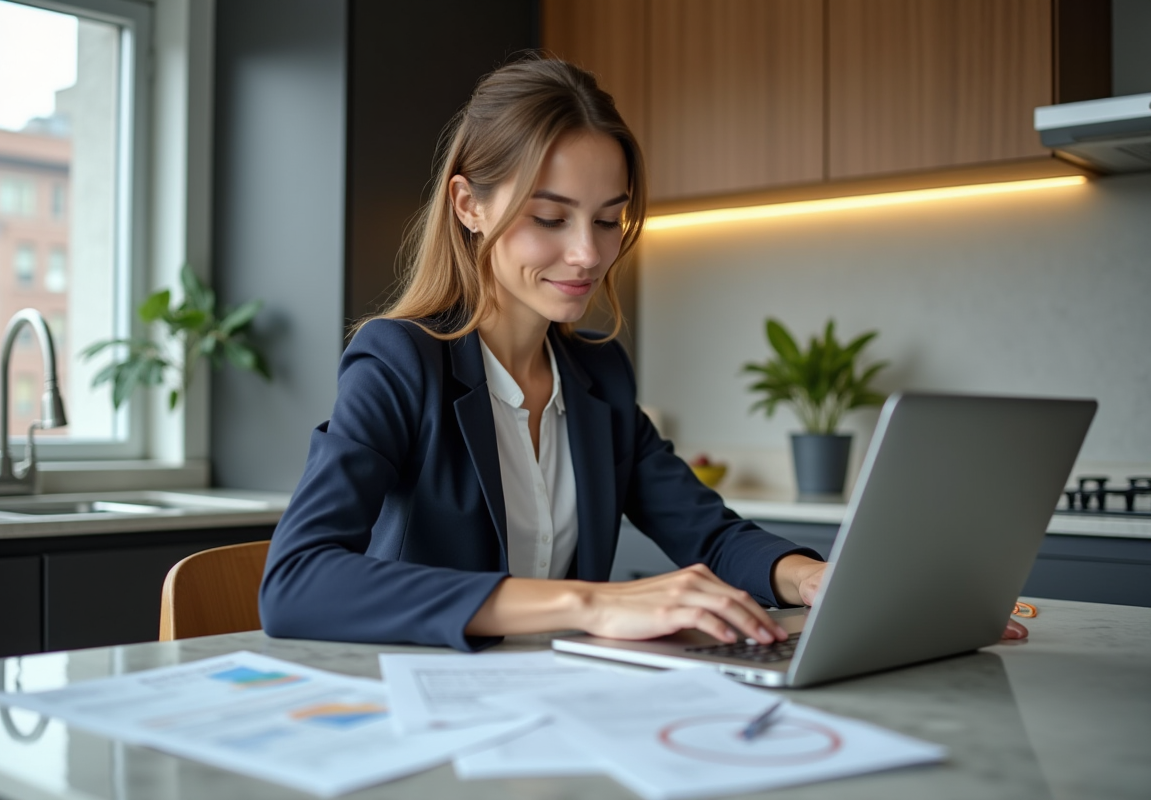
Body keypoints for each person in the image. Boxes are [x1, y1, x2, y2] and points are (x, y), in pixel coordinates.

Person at [258, 57, 1026, 650]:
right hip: (429, 715)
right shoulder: (399, 362)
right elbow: (295, 582)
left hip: (559, 706)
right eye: (550, 218)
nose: (587, 253)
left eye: (608, 219)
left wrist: (819, 579)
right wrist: (592, 602)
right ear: (469, 205)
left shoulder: (599, 374)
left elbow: (709, 532)